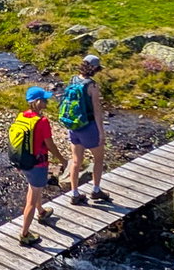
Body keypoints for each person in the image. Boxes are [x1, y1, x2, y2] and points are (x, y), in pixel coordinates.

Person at [58, 55, 110, 205]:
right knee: (98, 159)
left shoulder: (73, 79)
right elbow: (97, 110)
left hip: (74, 127)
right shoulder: (92, 85)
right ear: (95, 69)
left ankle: (75, 194)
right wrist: (101, 132)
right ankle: (96, 190)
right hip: (88, 127)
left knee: (76, 161)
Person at [9, 85, 56, 246]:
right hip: (38, 164)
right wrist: (63, 160)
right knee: (31, 198)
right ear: (37, 102)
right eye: (44, 100)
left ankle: (41, 211)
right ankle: (24, 234)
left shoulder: (22, 116)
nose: (47, 102)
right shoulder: (42, 121)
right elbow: (50, 145)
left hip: (24, 162)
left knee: (33, 187)